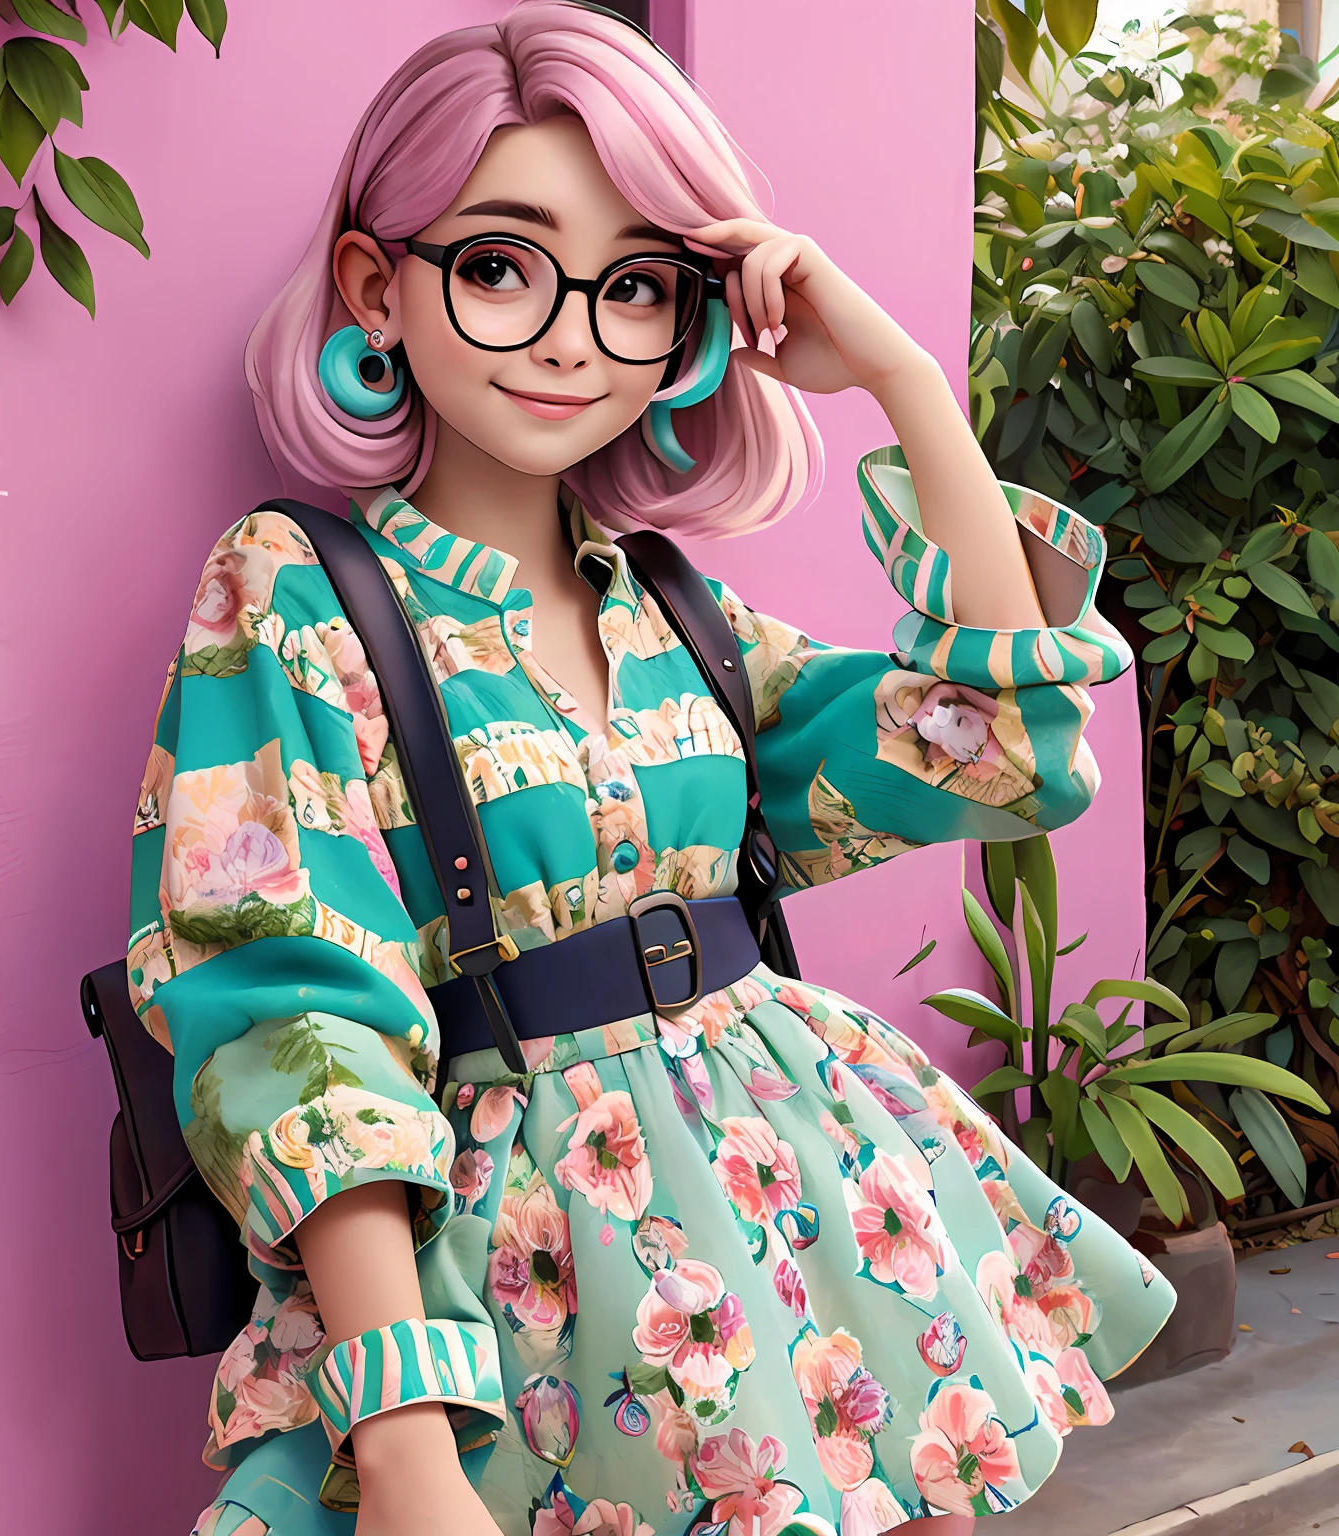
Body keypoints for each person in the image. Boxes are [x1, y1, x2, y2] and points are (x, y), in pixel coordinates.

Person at [125, 5, 1175, 1533]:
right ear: (376, 285)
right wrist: (410, 1452)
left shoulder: (674, 607)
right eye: (498, 265)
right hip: (539, 1280)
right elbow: (294, 1017)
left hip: (793, 1236)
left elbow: (990, 743)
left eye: (636, 288)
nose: (569, 333)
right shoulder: (300, 590)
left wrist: (897, 377)